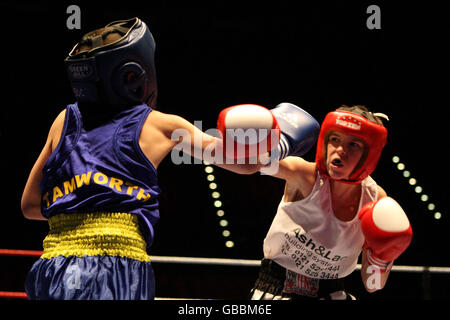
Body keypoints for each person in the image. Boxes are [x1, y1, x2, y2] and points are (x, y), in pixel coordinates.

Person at [20, 17, 230, 300]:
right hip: (115, 269)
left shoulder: (64, 120)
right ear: (133, 75)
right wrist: (277, 144)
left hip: (53, 268)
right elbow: (235, 159)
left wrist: (78, 210)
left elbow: (30, 205)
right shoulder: (158, 124)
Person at [216, 103, 413, 300]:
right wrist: (254, 144)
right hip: (275, 289)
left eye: (353, 144)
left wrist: (382, 257)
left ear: (368, 155)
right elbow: (250, 162)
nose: (340, 150)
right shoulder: (304, 176)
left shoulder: (375, 199)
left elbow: (373, 285)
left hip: (333, 294)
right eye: (335, 139)